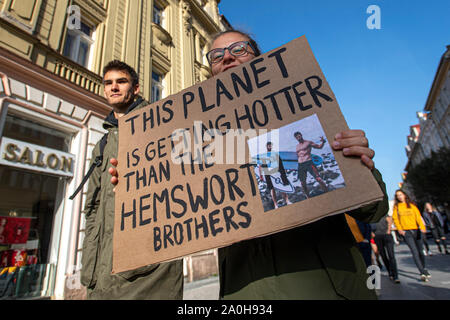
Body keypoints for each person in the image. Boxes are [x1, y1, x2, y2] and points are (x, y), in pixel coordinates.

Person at [110, 30, 389, 299]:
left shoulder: (301, 116)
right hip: (244, 291)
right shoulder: (201, 142)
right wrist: (135, 180)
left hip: (325, 288)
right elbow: (168, 204)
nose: (227, 58)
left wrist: (359, 165)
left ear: (260, 61)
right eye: (216, 56)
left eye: (239, 50)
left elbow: (373, 210)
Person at [80, 60, 183, 299]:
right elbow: (93, 208)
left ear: (135, 88)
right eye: (108, 83)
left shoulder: (161, 127)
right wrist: (91, 264)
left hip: (147, 276)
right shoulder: (102, 145)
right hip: (99, 275)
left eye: (121, 81)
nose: (114, 87)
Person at [392, 189, 430, 282]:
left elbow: (418, 217)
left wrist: (422, 227)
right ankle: (422, 272)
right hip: (407, 232)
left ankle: (424, 268)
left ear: (405, 195)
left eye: (401, 195)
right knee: (414, 252)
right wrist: (400, 229)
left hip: (416, 230)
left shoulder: (412, 205)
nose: (399, 197)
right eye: (398, 195)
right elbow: (395, 219)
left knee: (420, 251)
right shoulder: (397, 207)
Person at [257, 141, 292, 209]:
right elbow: (260, 166)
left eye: (271, 146)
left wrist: (284, 170)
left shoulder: (275, 154)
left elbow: (280, 163)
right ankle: (276, 205)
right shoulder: (264, 155)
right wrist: (261, 176)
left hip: (276, 172)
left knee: (282, 187)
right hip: (269, 175)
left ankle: (287, 201)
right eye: (269, 146)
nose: (270, 147)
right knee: (272, 189)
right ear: (266, 147)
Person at [294, 131, 329, 198]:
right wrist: (294, 166)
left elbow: (319, 147)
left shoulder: (308, 143)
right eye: (297, 137)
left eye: (299, 136)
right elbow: (298, 157)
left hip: (309, 163)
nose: (298, 137)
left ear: (301, 135)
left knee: (318, 179)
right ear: (296, 138)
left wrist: (323, 142)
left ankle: (327, 192)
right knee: (302, 183)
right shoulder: (297, 146)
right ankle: (308, 197)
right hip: (301, 165)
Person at [373, 213, 400, 283]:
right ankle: (390, 271)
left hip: (386, 235)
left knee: (391, 255)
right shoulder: (371, 215)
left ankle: (395, 275)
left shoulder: (383, 212)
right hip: (377, 236)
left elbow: (390, 219)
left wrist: (388, 230)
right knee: (383, 255)